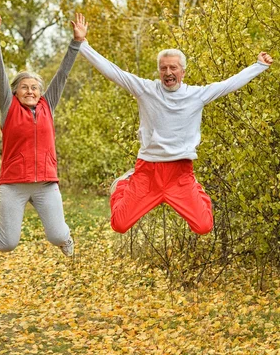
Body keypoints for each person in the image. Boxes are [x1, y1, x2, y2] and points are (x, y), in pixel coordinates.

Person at [72, 13, 273, 235]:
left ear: (183, 72)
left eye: (173, 68)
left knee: (204, 226)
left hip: (180, 174)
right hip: (148, 172)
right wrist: (83, 44)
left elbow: (229, 84)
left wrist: (259, 66)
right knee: (119, 225)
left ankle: (195, 188)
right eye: (164, 68)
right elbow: (114, 72)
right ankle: (123, 183)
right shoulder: (145, 90)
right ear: (159, 71)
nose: (168, 72)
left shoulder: (197, 95)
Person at [0, 7, 88, 265]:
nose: (30, 91)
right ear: (15, 92)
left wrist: (76, 42)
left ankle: (66, 239)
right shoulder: (9, 107)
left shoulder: (48, 105)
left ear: (41, 92)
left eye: (35, 87)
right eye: (24, 87)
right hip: (14, 184)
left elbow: (62, 75)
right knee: (8, 242)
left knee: (58, 234)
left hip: (46, 184)